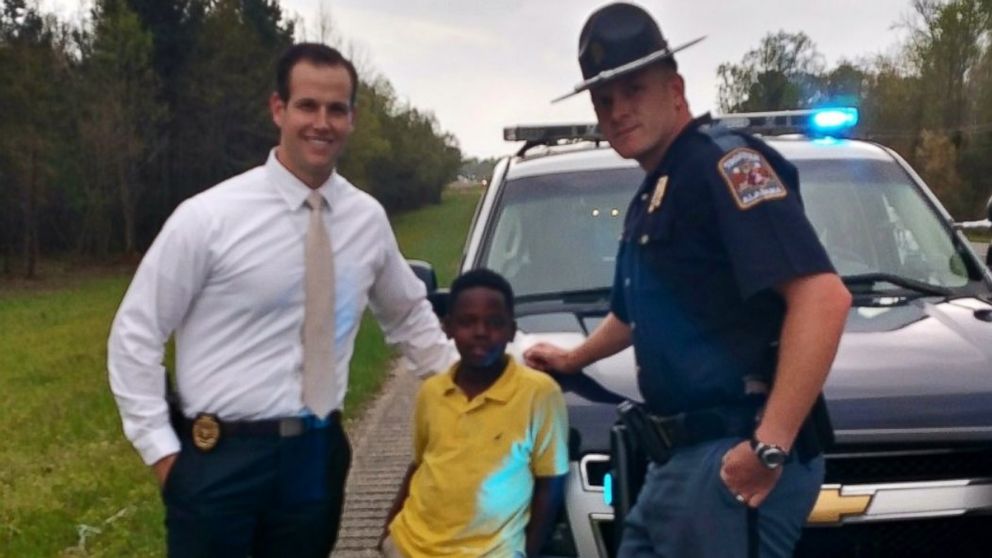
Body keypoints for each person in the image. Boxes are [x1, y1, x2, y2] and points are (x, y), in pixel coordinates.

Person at [525, 3, 852, 558]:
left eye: (634, 91)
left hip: (729, 453)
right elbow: (632, 317)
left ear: (674, 89)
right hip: (677, 462)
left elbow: (823, 298)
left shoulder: (726, 166)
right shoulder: (656, 191)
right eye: (605, 101)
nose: (618, 111)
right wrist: (574, 359)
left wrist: (766, 450)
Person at [107, 43, 453, 557]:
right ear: (279, 109)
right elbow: (135, 334)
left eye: (336, 109)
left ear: (352, 118)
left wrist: (482, 382)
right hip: (219, 461)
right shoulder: (208, 219)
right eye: (307, 106)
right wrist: (164, 456)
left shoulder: (366, 219)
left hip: (315, 459)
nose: (322, 122)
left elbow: (409, 316)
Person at [380, 268, 569, 558]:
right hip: (411, 544)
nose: (481, 332)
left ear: (510, 330)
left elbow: (550, 483)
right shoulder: (433, 391)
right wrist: (388, 529)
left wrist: (528, 551)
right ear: (448, 328)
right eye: (468, 322)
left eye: (494, 323)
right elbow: (420, 464)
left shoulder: (539, 394)